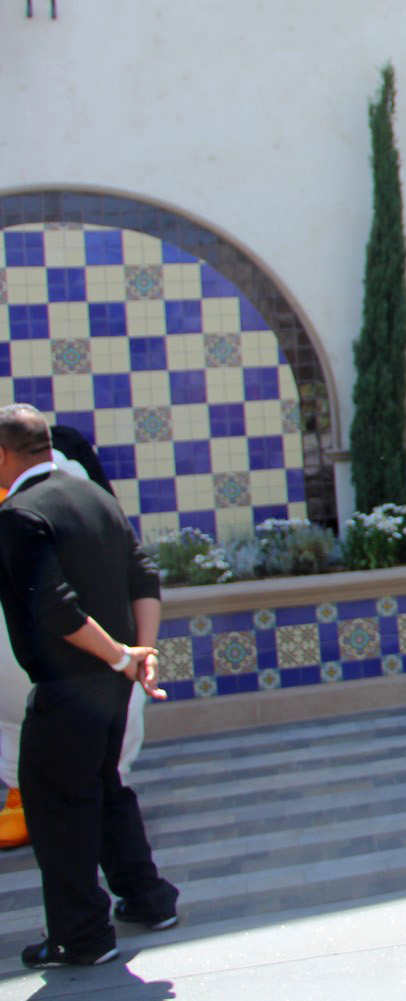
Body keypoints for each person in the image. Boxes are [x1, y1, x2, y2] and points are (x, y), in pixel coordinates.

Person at [0, 404, 179, 968]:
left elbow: (55, 607)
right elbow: (143, 574)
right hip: (111, 686)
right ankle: (149, 899)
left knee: (57, 807)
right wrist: (141, 653)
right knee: (106, 789)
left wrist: (123, 655)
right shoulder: (94, 497)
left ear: (2, 455)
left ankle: (81, 935)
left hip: (68, 685)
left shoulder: (18, 515)